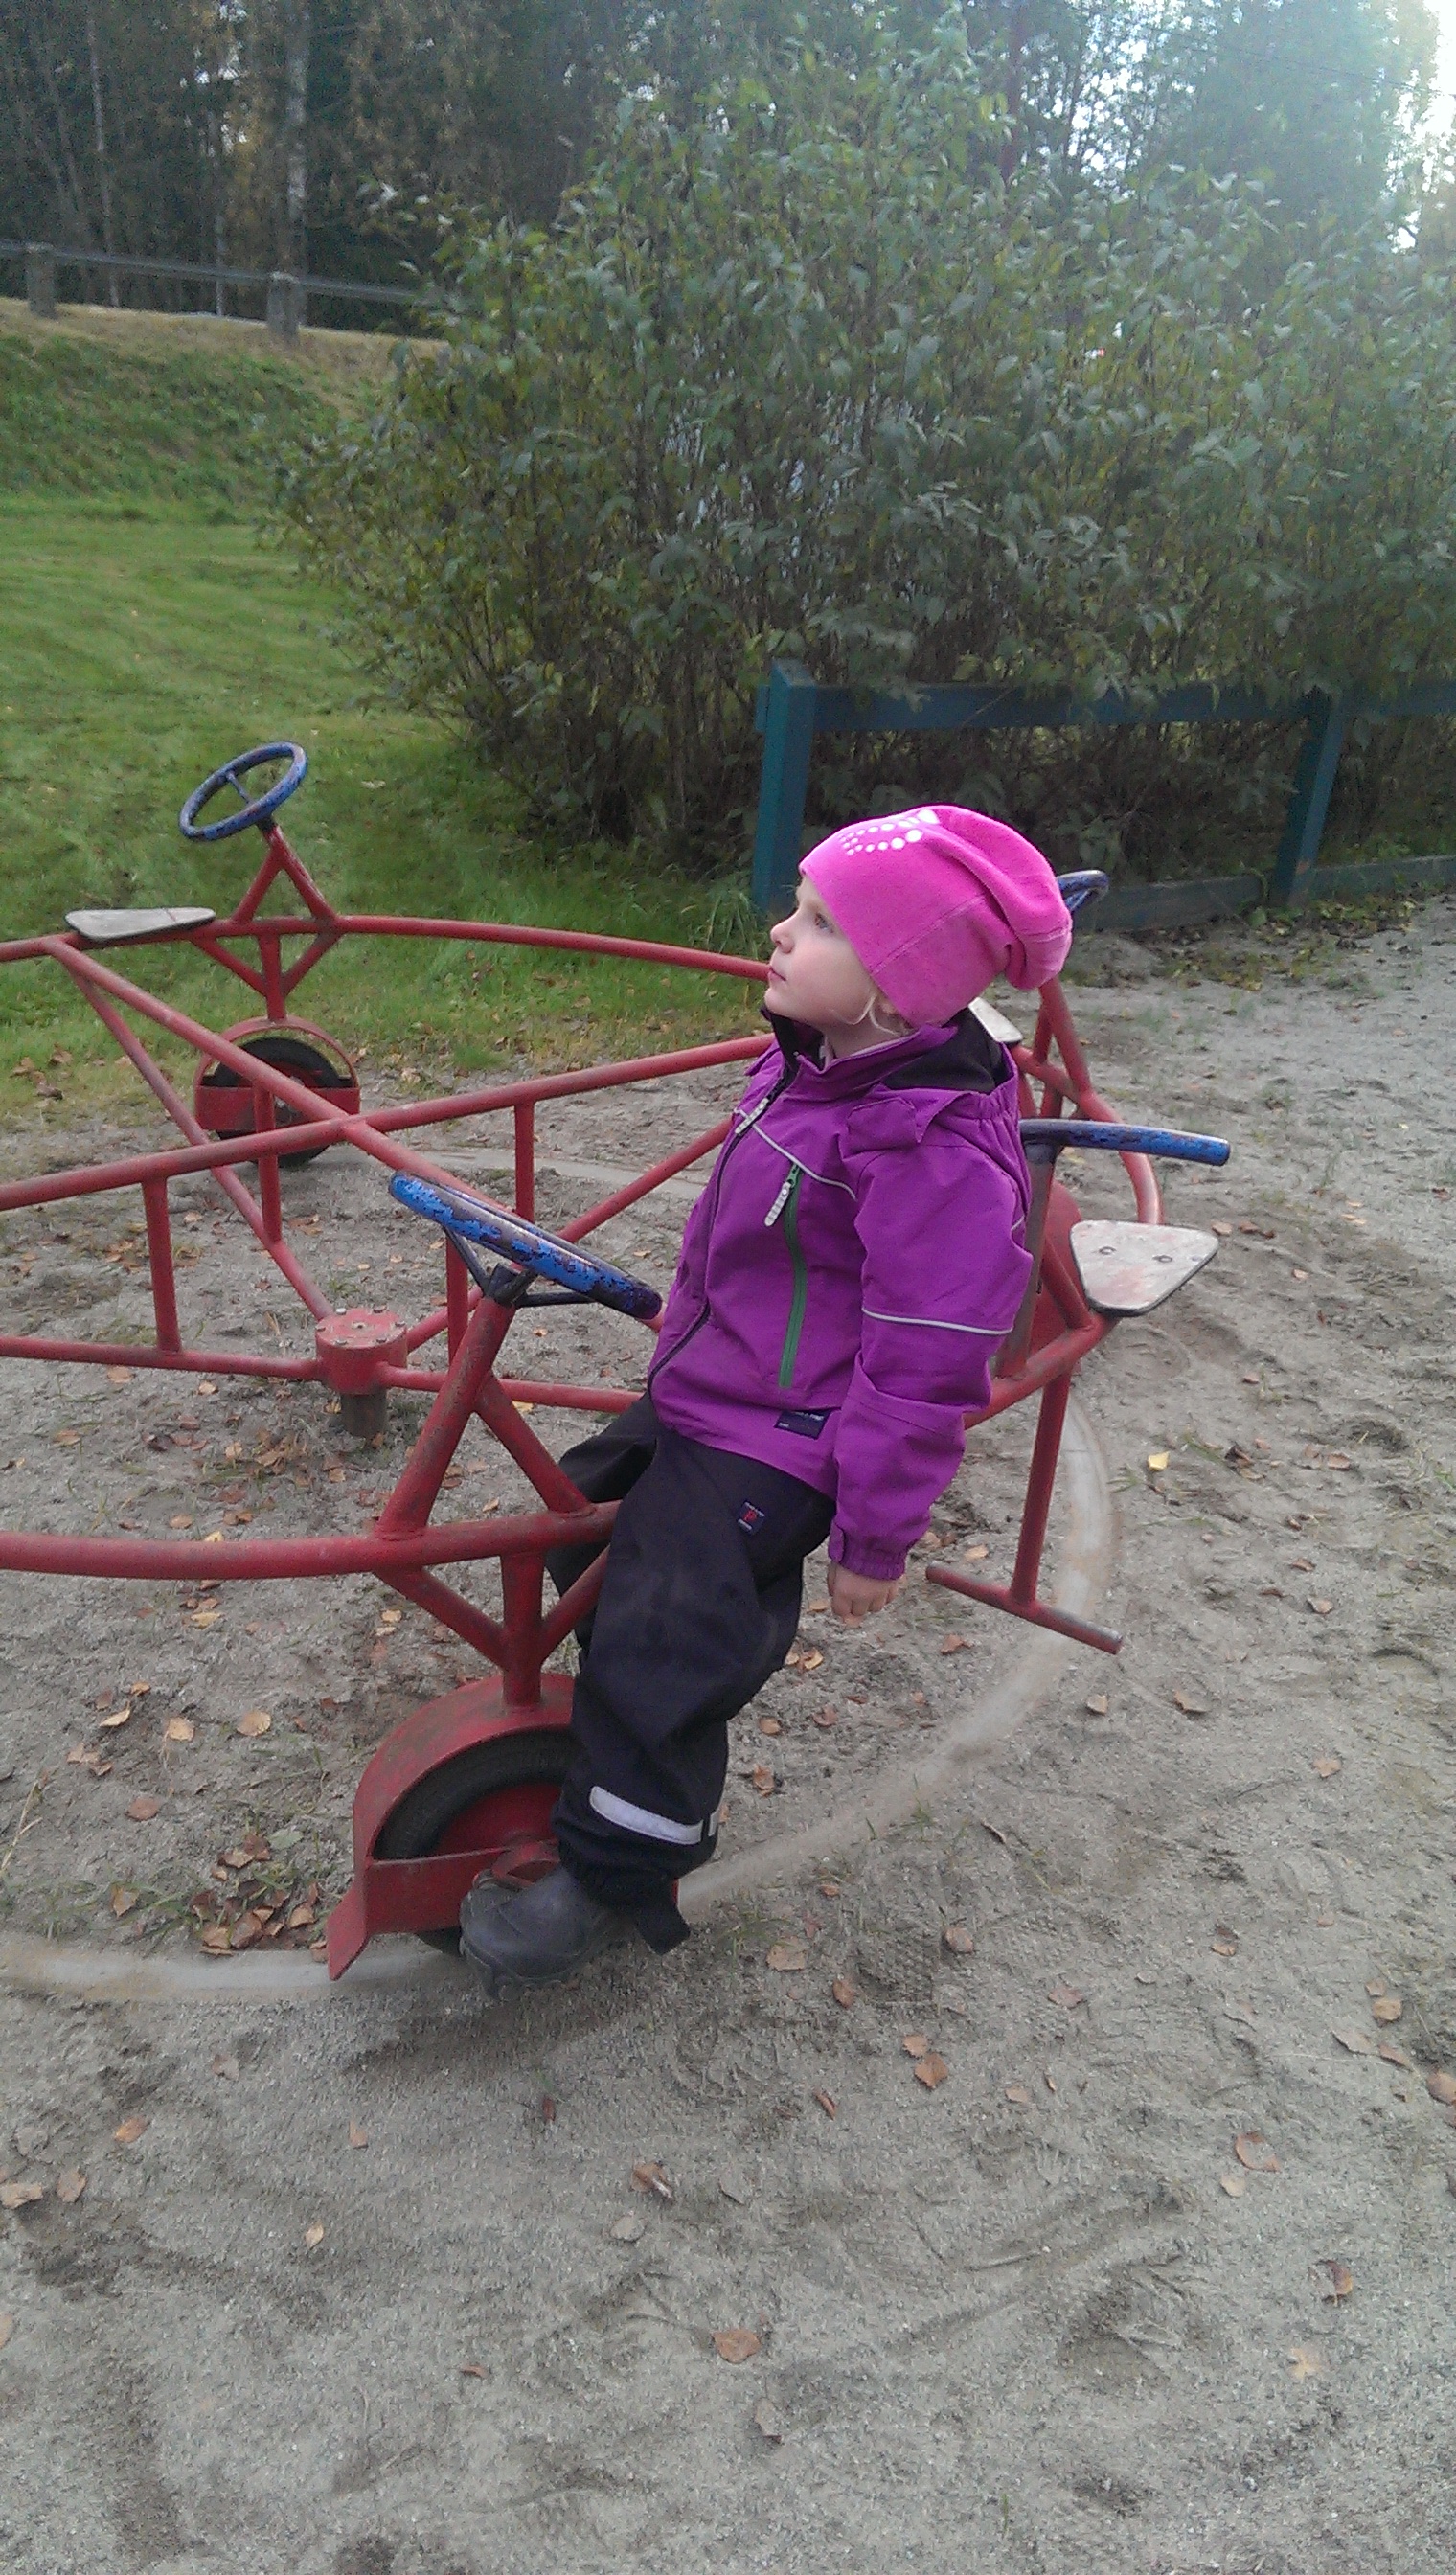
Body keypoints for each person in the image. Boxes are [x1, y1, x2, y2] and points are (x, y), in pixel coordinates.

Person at [459, 805, 1074, 1994]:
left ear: (893, 992)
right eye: (797, 906)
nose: (780, 933)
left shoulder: (929, 1153)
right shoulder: (815, 1063)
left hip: (788, 1437)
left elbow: (926, 1364)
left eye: (820, 922)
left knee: (667, 1624)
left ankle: (617, 1868)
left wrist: (874, 1537)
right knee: (576, 1515)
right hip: (717, 1383)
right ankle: (609, 1706)